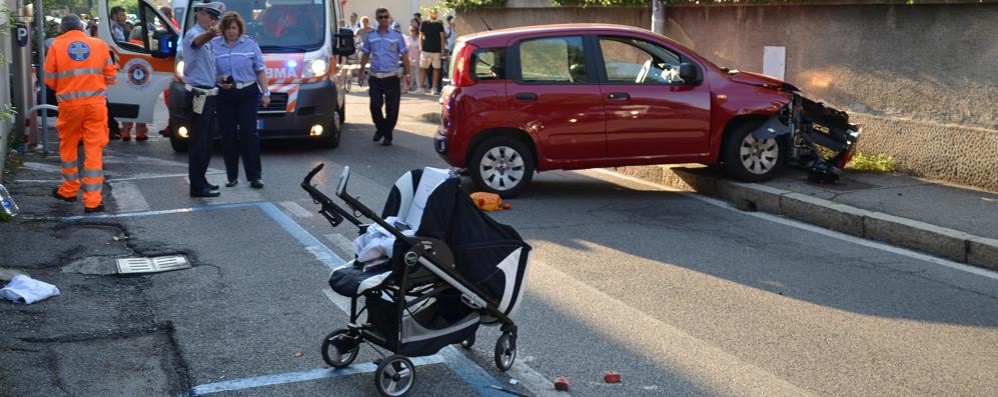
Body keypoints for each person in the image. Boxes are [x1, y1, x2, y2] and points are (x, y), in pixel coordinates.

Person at [44, 14, 117, 213]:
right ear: (81, 27)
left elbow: (49, 80)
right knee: (94, 148)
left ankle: (68, 190)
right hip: (95, 105)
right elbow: (111, 76)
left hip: (69, 106)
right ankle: (93, 201)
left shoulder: (56, 46)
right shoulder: (99, 44)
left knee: (68, 145)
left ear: (62, 29)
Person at [212, 11, 269, 189]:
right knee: (228, 134)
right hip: (225, 95)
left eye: (234, 28)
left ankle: (255, 177)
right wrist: (219, 80)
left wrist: (266, 93)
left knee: (248, 133)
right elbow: (208, 69)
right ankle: (232, 176)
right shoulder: (214, 45)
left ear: (239, 29)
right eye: (228, 28)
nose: (231, 31)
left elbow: (260, 69)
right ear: (223, 29)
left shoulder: (250, 44)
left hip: (248, 93)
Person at [183, 1, 226, 198]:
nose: (214, 21)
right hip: (197, 94)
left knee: (207, 141)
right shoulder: (195, 33)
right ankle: (197, 185)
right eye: (211, 17)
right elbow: (196, 42)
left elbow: (206, 68)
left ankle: (202, 180)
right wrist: (211, 33)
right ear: (200, 14)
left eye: (216, 18)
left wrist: (220, 80)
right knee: (199, 141)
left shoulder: (208, 39)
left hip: (208, 93)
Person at [358, 8, 411, 146]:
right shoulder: (371, 36)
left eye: (385, 17)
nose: (383, 19)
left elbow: (405, 55)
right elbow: (365, 54)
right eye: (380, 17)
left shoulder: (396, 35)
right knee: (375, 106)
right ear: (377, 19)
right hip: (375, 76)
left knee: (392, 110)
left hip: (391, 77)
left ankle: (387, 134)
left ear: (389, 18)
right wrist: (360, 72)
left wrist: (408, 74)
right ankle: (381, 129)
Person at [120, 27, 149, 141]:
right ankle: (140, 133)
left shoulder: (124, 47)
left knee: (127, 108)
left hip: (128, 83)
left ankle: (126, 132)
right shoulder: (147, 49)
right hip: (143, 83)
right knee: (142, 106)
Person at [418, 9, 445, 95]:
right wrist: (421, 48)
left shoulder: (439, 24)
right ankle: (420, 88)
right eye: (432, 13)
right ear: (429, 13)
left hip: (436, 50)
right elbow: (421, 36)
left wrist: (442, 50)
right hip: (426, 50)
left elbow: (442, 38)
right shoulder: (424, 23)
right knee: (422, 68)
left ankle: (434, 88)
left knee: (436, 69)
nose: (434, 14)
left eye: (435, 13)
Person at [404, 25, 420, 93]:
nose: (412, 32)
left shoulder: (420, 38)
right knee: (410, 73)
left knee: (417, 73)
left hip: (417, 58)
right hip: (409, 58)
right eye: (410, 30)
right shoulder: (407, 38)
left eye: (413, 30)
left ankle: (419, 87)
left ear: (416, 31)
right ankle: (408, 86)